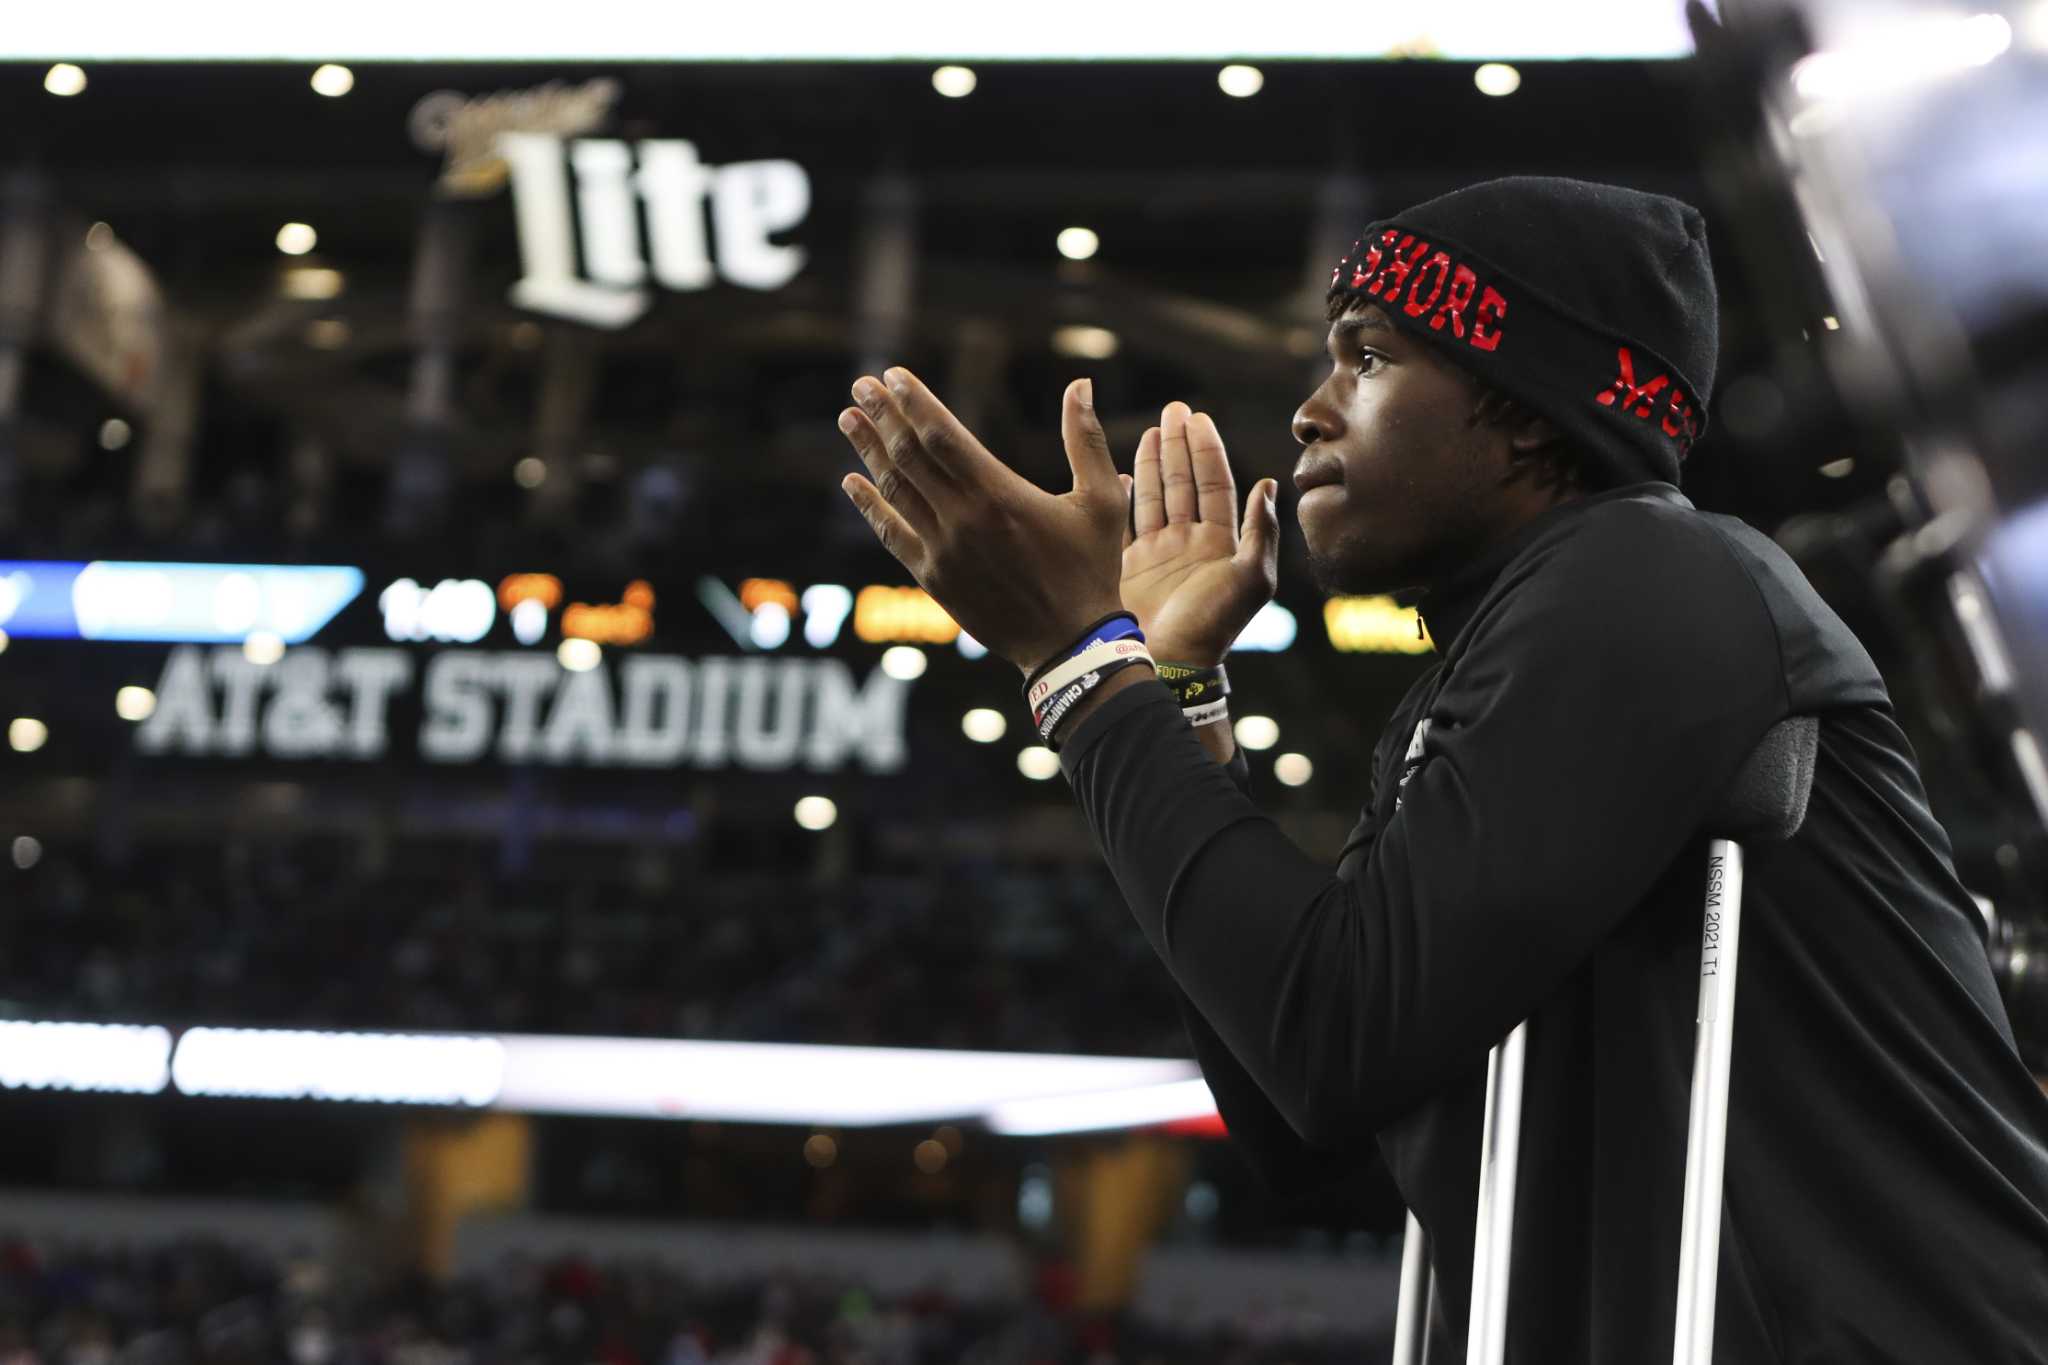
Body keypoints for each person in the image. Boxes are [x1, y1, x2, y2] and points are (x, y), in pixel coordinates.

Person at [831, 176, 2048, 1361]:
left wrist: (1080, 670)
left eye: (1366, 357)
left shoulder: (1651, 581)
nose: (1310, 408)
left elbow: (1330, 1036)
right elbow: (1306, 1123)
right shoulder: (1484, 675)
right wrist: (1180, 692)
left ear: (1525, 406)